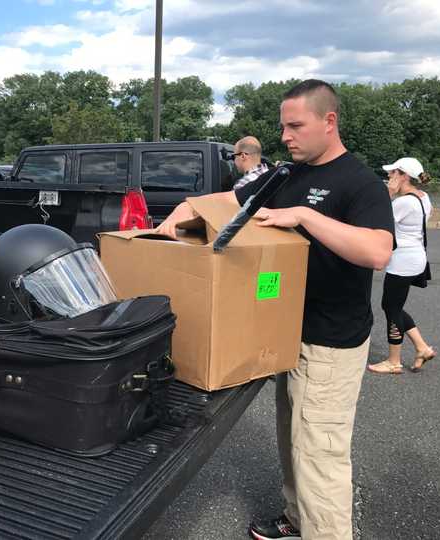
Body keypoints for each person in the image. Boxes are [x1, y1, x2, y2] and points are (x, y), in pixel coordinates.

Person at [155, 79, 394, 540]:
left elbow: (378, 251)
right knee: (292, 437)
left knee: (319, 453)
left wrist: (305, 216)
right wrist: (182, 211)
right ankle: (297, 520)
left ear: (329, 122)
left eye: (295, 126)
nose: (285, 136)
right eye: (283, 126)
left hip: (331, 341)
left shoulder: (360, 183)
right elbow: (230, 200)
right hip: (286, 330)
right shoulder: (287, 175)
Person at [368, 158, 436, 375]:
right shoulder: (424, 198)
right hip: (416, 258)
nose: (389, 176)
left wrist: (388, 193)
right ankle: (422, 348)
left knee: (391, 307)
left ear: (403, 175)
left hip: (403, 262)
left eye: (393, 172)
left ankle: (394, 361)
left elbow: (376, 220)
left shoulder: (403, 202)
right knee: (393, 306)